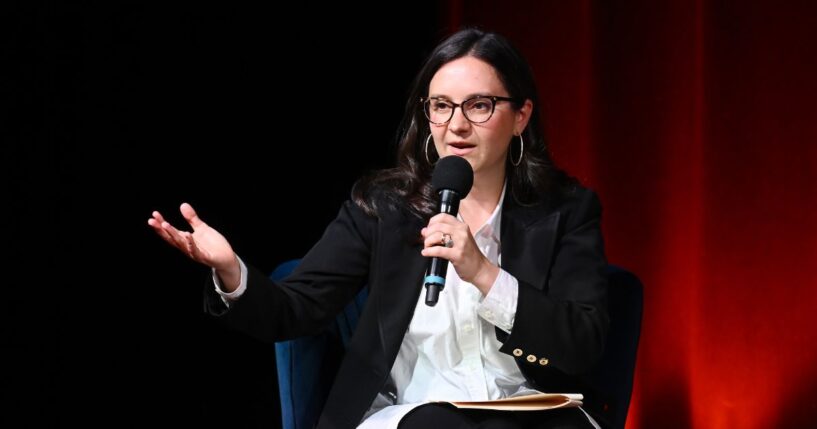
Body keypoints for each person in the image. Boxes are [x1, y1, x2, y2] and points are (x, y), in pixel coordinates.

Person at [148, 28, 609, 429]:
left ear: (521, 116)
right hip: (417, 411)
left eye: (480, 106)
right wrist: (231, 271)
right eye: (442, 106)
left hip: (530, 413)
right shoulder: (386, 208)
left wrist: (483, 272)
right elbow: (295, 310)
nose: (457, 125)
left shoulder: (565, 210)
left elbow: (584, 342)